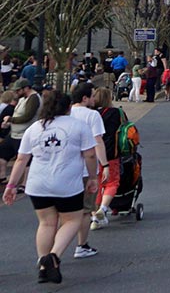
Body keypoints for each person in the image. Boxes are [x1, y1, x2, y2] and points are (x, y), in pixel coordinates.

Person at [2, 89, 99, 283]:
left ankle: (43, 265)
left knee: (46, 223)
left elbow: (21, 159)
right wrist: (93, 177)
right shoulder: (79, 127)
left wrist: (11, 185)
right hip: (67, 182)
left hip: (38, 184)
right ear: (68, 107)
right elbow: (89, 155)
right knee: (72, 220)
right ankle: (53, 256)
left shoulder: (34, 128)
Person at [68, 83, 107, 259]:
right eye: (92, 96)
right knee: (85, 209)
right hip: (85, 169)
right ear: (84, 98)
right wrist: (104, 164)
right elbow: (97, 141)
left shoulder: (65, 113)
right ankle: (81, 244)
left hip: (66, 168)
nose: (94, 99)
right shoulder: (93, 115)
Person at [89, 87, 123, 229]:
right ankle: (102, 209)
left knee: (97, 183)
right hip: (110, 151)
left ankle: (94, 214)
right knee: (112, 182)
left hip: (92, 153)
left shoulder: (92, 114)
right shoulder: (115, 113)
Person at [9, 78, 41, 144]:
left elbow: (28, 116)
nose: (16, 92)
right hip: (16, 135)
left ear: (26, 88)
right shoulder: (23, 98)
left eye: (18, 90)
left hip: (23, 136)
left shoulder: (33, 98)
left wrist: (11, 119)